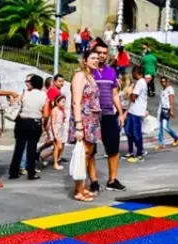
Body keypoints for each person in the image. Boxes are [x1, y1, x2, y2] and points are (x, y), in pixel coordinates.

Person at [93, 38, 127, 191]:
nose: (101, 55)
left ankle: (112, 180)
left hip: (108, 114)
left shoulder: (111, 71)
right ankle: (93, 181)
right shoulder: (87, 72)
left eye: (104, 53)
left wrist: (120, 113)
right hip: (92, 116)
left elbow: (114, 94)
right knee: (90, 151)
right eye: (98, 53)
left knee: (113, 149)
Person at [69, 49, 102, 200]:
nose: (96, 60)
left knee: (88, 154)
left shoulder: (91, 77)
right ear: (85, 60)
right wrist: (78, 125)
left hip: (92, 120)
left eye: (98, 58)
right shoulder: (79, 76)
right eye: (93, 58)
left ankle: (82, 187)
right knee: (82, 155)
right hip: (83, 120)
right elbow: (76, 101)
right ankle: (78, 190)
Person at [7, 74, 47, 180]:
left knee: (19, 148)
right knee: (31, 148)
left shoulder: (24, 93)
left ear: (32, 83)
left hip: (21, 122)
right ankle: (31, 172)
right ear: (41, 84)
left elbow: (17, 104)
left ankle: (13, 172)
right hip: (35, 123)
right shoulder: (44, 96)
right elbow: (46, 114)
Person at [126, 66, 148, 163]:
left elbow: (133, 97)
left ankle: (139, 153)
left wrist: (130, 91)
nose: (132, 75)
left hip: (137, 111)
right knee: (128, 131)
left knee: (136, 133)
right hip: (132, 111)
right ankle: (140, 148)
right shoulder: (140, 82)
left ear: (136, 73)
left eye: (132, 73)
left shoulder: (140, 83)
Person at [40, 94, 66, 169]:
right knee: (58, 147)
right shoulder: (54, 110)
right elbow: (53, 123)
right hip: (55, 130)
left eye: (64, 102)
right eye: (62, 102)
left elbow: (62, 120)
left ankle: (44, 156)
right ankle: (55, 163)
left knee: (59, 147)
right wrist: (55, 134)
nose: (64, 104)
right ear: (57, 102)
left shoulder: (61, 109)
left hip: (60, 129)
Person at [157, 76, 178, 149]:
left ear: (167, 81)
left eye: (164, 81)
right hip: (161, 109)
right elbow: (161, 102)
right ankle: (161, 143)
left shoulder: (170, 89)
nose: (163, 83)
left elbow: (171, 100)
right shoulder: (162, 90)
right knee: (160, 127)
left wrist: (172, 110)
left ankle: (176, 137)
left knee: (165, 126)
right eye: (161, 82)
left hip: (167, 110)